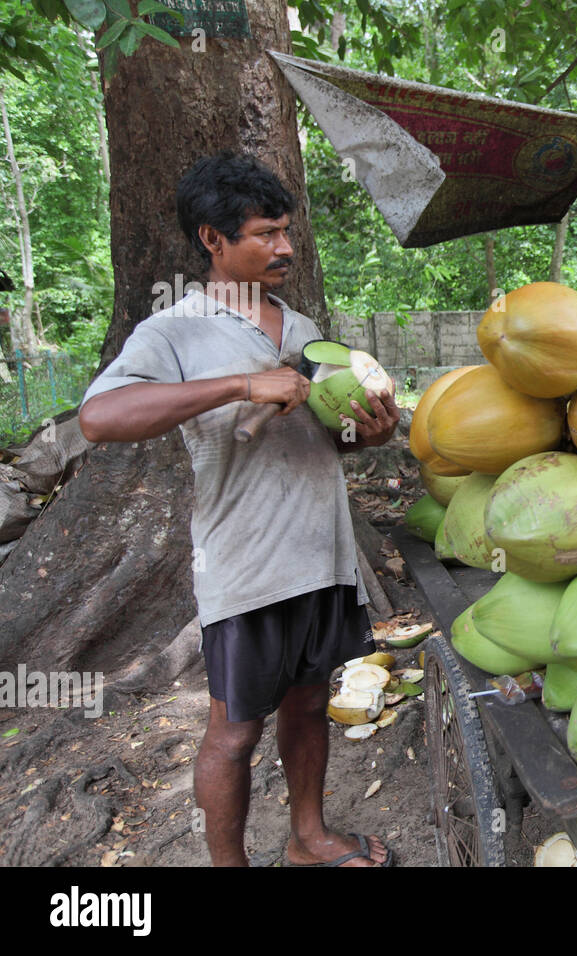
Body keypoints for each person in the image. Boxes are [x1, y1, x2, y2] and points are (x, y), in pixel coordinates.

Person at [79, 152, 400, 867]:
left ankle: (309, 839)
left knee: (312, 704)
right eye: (264, 233)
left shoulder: (304, 326)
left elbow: (328, 437)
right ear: (213, 240)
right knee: (234, 732)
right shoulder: (176, 331)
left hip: (323, 554)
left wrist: (365, 434)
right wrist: (240, 387)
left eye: (286, 231)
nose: (284, 247)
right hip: (246, 566)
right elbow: (100, 418)